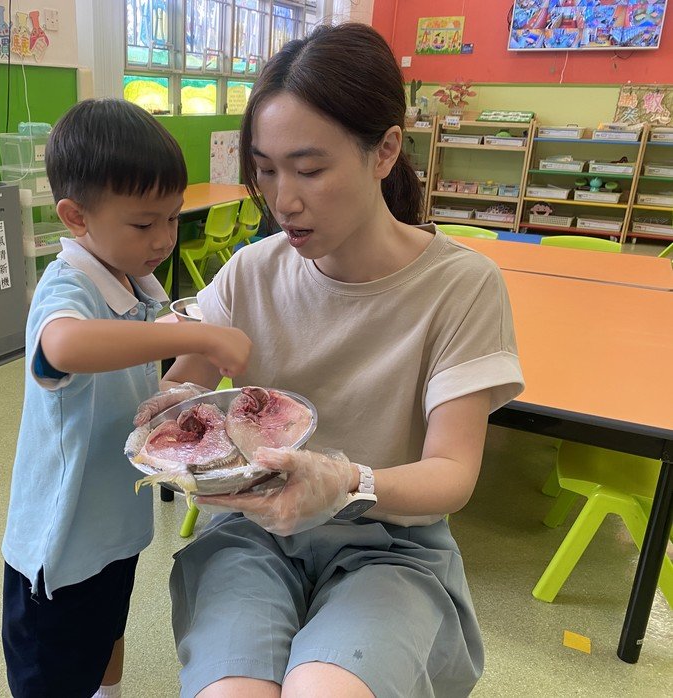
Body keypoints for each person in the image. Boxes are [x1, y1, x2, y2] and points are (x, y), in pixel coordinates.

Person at [136, 23, 524, 698]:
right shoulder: (251, 271)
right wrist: (166, 410)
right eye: (265, 170)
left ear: (384, 151)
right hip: (253, 536)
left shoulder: (461, 286)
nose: (283, 200)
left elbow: (452, 474)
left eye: (310, 169)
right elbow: (186, 389)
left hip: (390, 545)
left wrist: (346, 482)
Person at [1, 99, 252, 698]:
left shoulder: (131, 279)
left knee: (108, 632)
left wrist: (173, 396)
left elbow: (127, 384)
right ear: (76, 217)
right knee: (56, 671)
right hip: (62, 545)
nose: (163, 239)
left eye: (173, 218)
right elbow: (63, 346)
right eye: (144, 225)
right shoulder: (68, 286)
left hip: (113, 526)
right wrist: (196, 335)